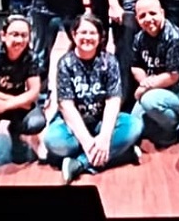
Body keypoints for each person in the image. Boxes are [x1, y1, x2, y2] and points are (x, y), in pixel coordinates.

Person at [43, 13, 144, 184]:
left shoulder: (109, 61)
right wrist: (88, 141)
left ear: (100, 37)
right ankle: (120, 154)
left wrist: (104, 138)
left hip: (101, 121)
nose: (87, 38)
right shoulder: (65, 63)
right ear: (74, 35)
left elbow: (113, 101)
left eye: (92, 33)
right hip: (72, 126)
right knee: (53, 141)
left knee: (134, 126)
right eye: (83, 33)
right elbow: (66, 106)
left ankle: (80, 163)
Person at [0, 14, 47, 176]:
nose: (19, 40)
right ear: (3, 35)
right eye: (14, 34)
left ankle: (16, 134)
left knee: (36, 121)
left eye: (24, 35)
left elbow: (34, 91)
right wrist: (17, 101)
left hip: (13, 104)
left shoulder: (31, 57)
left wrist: (8, 104)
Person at [130, 0, 179, 149]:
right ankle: (164, 120)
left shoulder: (173, 37)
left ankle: (175, 128)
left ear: (162, 13)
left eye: (153, 13)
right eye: (142, 15)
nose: (148, 19)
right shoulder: (139, 38)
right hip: (154, 86)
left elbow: (173, 76)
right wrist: (144, 82)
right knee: (134, 127)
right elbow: (135, 66)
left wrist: (145, 88)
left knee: (149, 102)